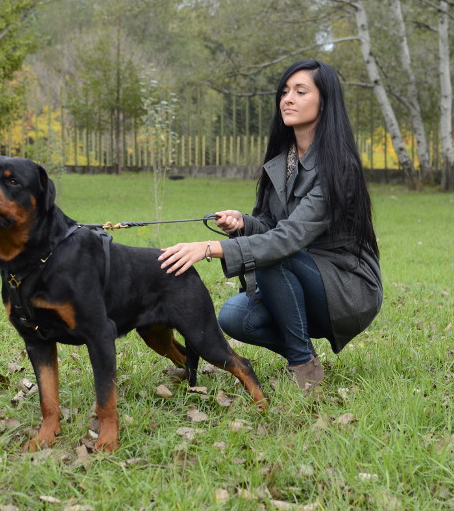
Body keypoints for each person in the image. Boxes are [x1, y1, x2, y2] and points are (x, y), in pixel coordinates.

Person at [158, 59, 382, 390]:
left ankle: (303, 370)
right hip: (302, 274)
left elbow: (286, 238)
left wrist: (207, 248)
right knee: (236, 316)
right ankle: (303, 353)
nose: (287, 99)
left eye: (300, 91)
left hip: (347, 288)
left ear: (325, 101)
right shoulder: (281, 160)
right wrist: (242, 223)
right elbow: (270, 224)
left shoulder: (339, 166)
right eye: (285, 91)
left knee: (273, 255)